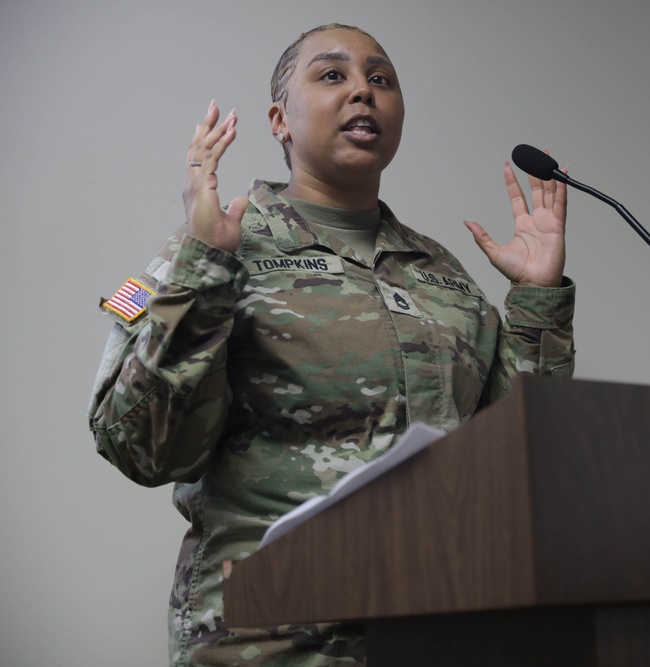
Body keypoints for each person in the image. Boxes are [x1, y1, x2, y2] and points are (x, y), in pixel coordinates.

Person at [87, 23, 574, 666]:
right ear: (279, 119)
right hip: (274, 642)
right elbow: (140, 448)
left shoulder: (443, 275)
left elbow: (516, 463)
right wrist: (205, 266)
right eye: (332, 75)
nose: (363, 93)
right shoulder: (217, 246)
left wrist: (537, 302)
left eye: (381, 80)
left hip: (436, 632)